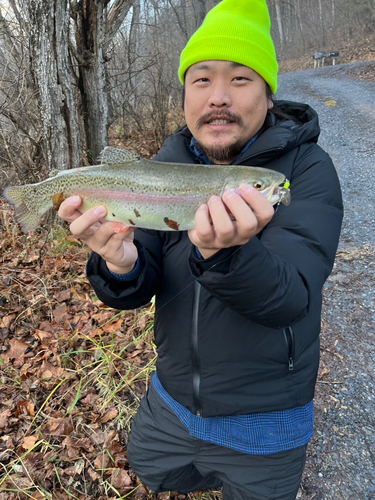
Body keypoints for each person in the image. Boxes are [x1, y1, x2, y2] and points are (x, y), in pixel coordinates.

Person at [58, 0, 343, 498]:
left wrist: (229, 254)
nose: (218, 97)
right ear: (186, 95)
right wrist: (120, 263)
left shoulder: (305, 173)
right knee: (152, 472)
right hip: (171, 400)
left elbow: (292, 297)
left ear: (269, 95)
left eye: (240, 80)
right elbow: (136, 282)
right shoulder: (159, 167)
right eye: (201, 80)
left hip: (268, 420)